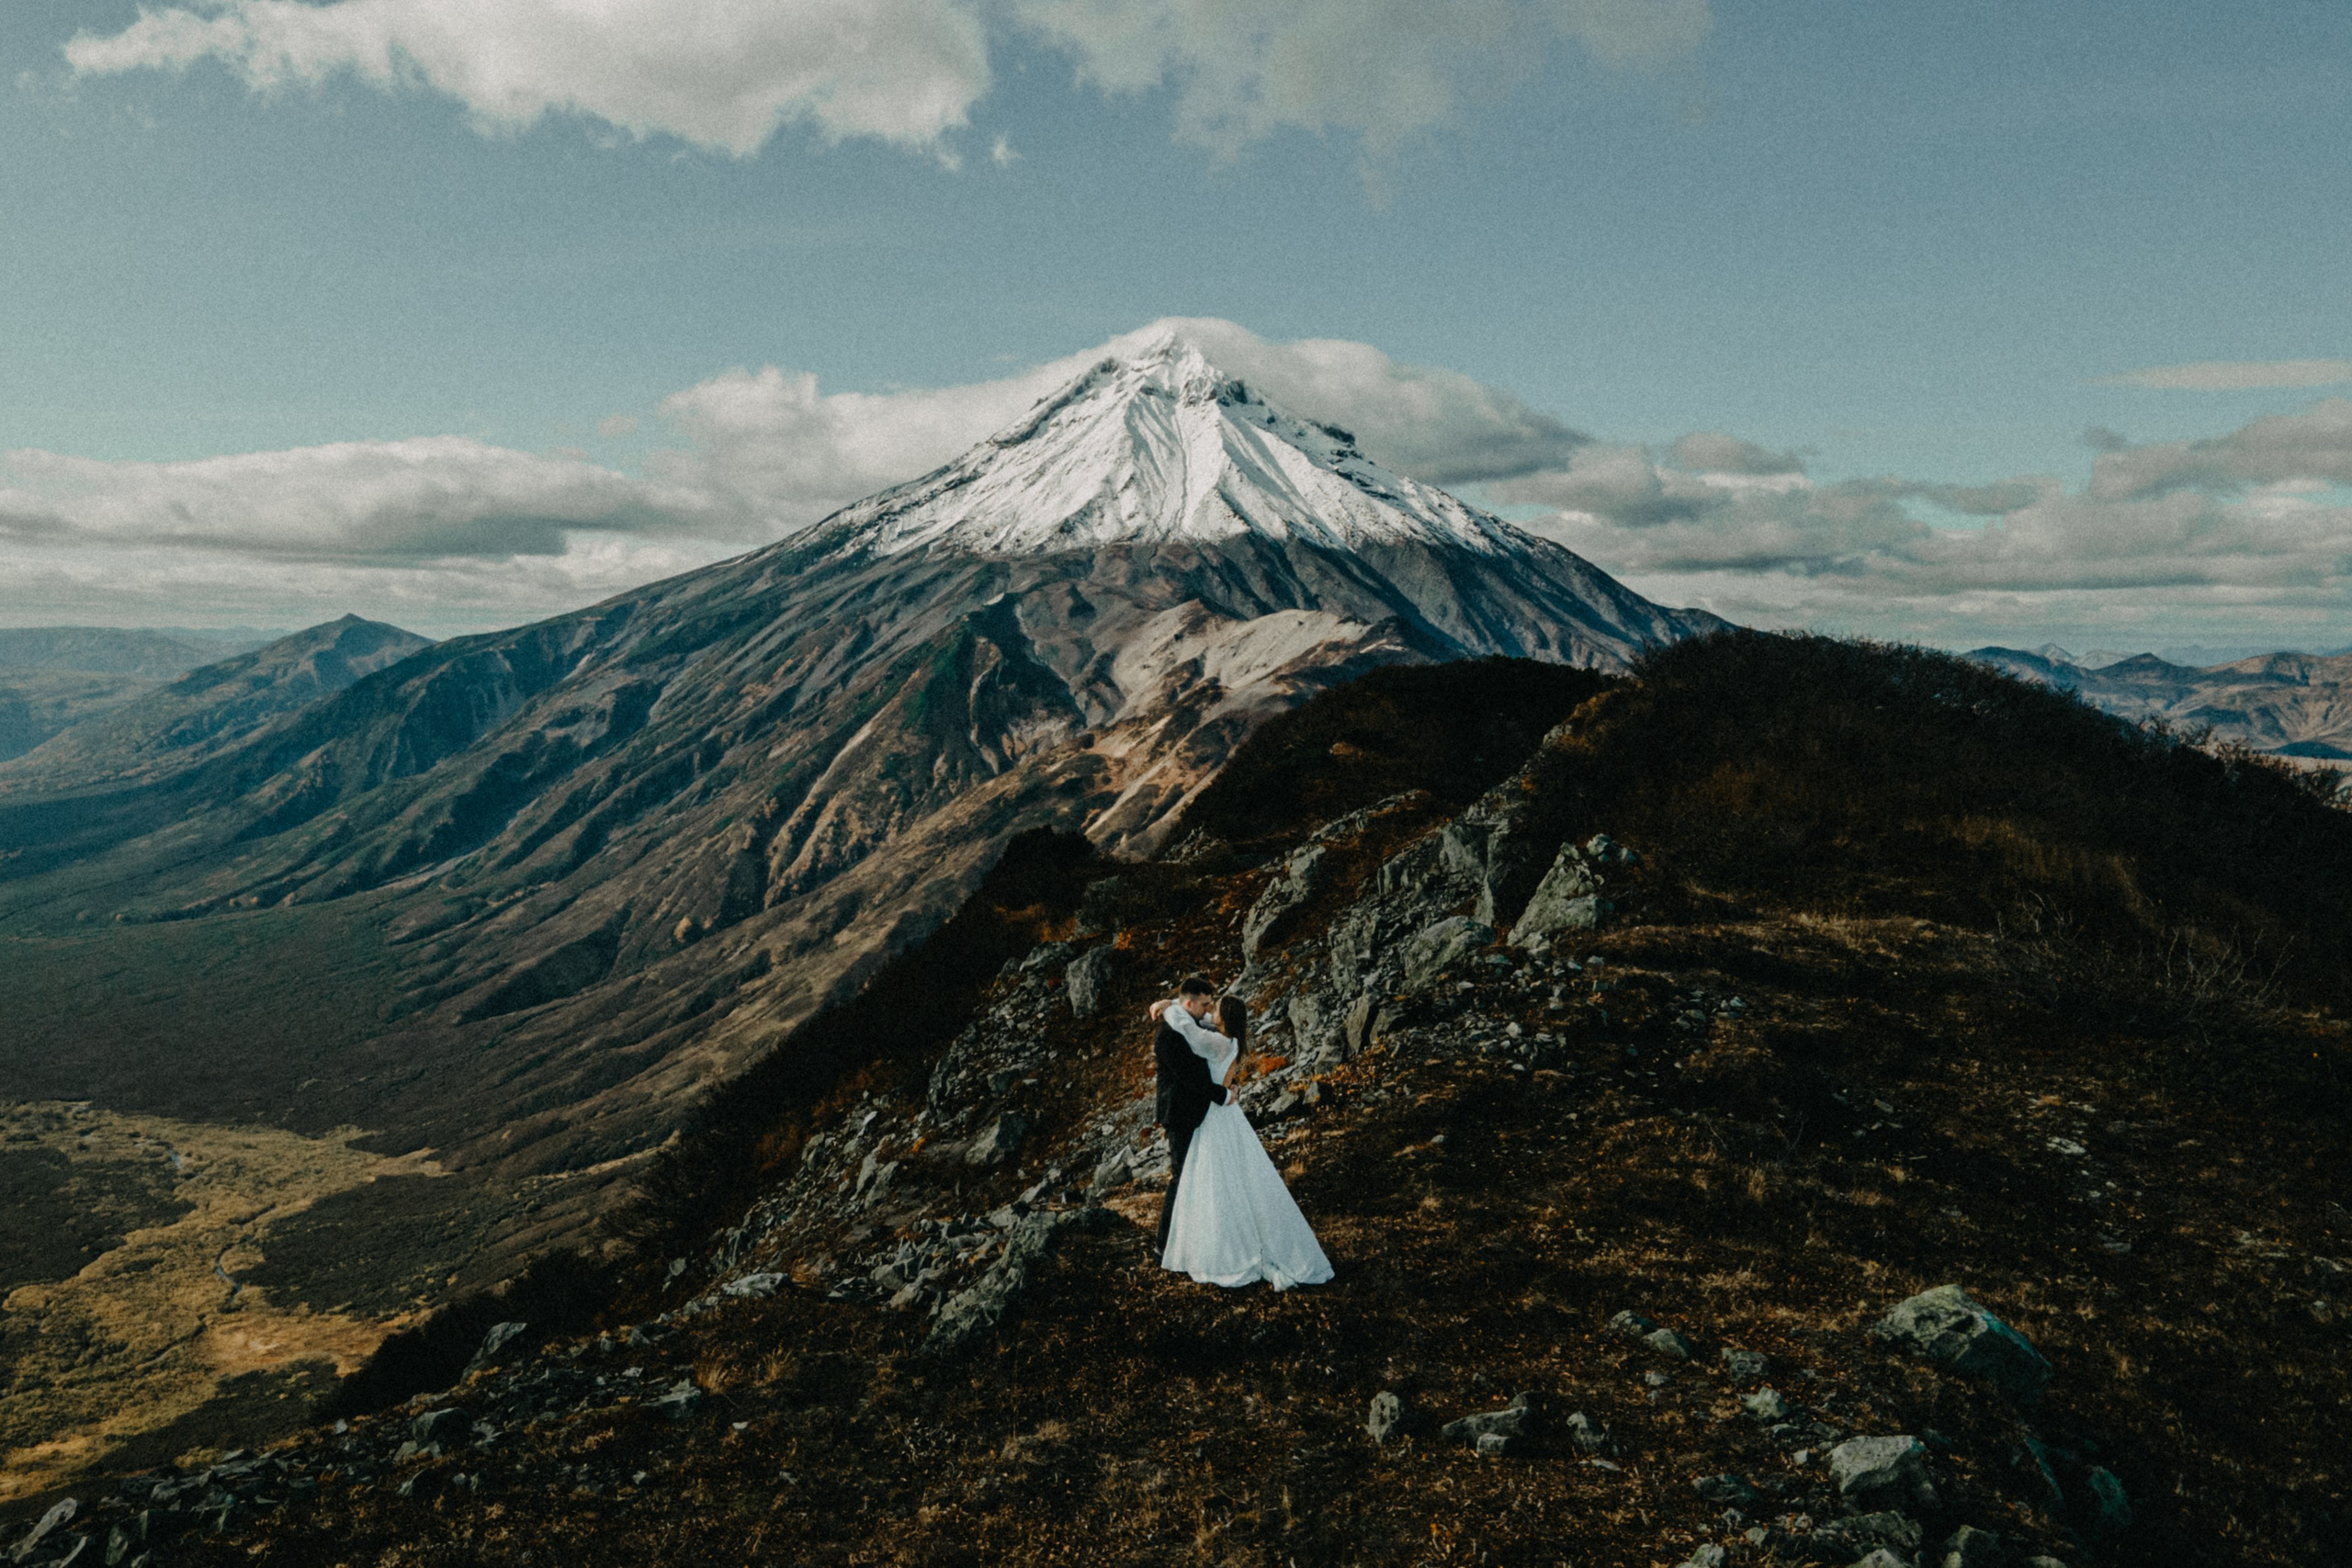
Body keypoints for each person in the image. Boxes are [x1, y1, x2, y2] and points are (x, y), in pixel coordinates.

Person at [1148, 988, 1334, 1290]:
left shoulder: (1216, 1041)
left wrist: (1168, 1006)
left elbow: (1187, 1029)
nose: (1210, 1011)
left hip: (1215, 1116)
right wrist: (1170, 1002)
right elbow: (1196, 1020)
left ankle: (1221, 1247)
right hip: (1221, 1113)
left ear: (1225, 1017)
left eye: (1215, 1008)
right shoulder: (1224, 1036)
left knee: (1213, 1180)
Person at [1151, 976, 1229, 1260]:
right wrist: (1220, 1095)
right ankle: (1163, 1244)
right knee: (1181, 1177)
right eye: (1204, 1005)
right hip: (1180, 1114)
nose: (1208, 1012)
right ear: (1188, 1003)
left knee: (1195, 1176)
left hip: (1195, 1112)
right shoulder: (1170, 1034)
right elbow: (1188, 1077)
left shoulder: (1190, 1024)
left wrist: (1168, 1002)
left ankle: (1191, 1240)